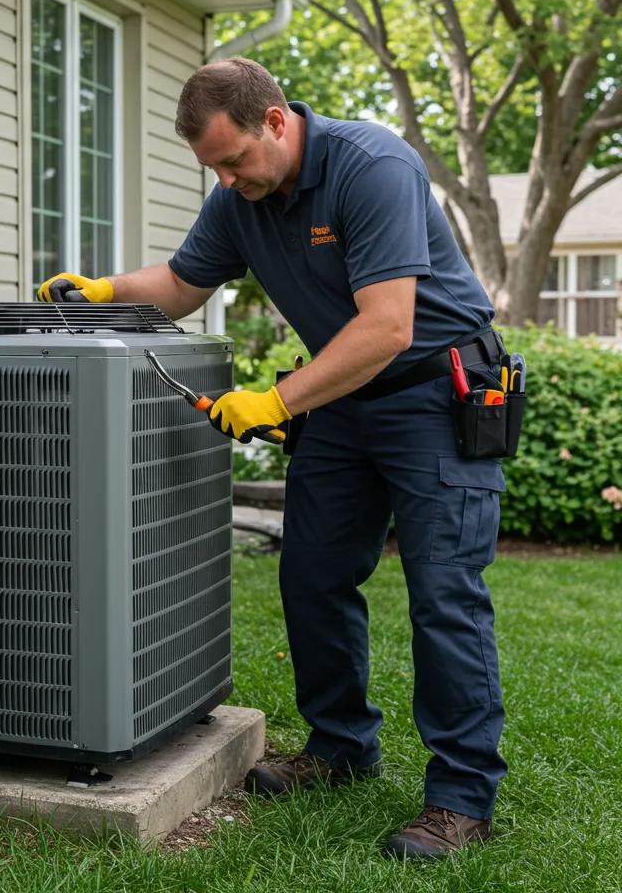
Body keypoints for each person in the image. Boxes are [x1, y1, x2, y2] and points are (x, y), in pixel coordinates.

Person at [38, 57, 507, 861]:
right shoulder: (241, 199)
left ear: (278, 122)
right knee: (313, 574)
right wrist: (106, 290)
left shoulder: (372, 167)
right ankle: (342, 747)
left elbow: (389, 326)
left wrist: (276, 402)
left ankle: (461, 798)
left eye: (234, 159)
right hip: (342, 398)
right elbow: (185, 283)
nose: (226, 179)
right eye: (213, 167)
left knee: (443, 591)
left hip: (435, 392)